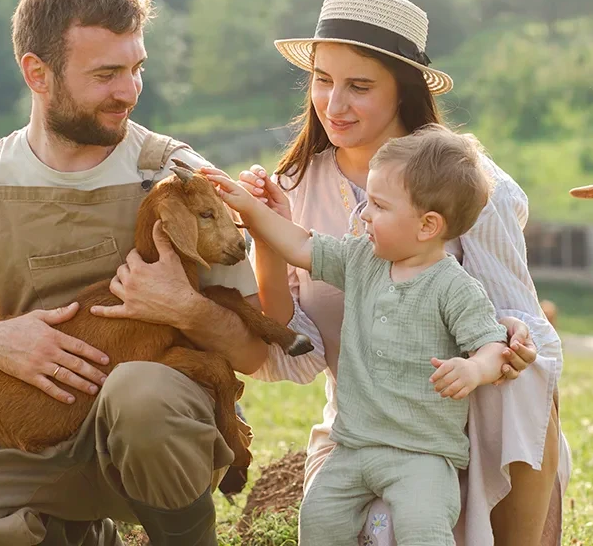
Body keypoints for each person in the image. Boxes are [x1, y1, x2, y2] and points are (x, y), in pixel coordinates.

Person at [0, 0, 271, 546]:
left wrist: (184, 309)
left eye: (136, 68)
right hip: (27, 430)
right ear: (38, 73)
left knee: (141, 397)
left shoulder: (177, 178)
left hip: (157, 434)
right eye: (106, 74)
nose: (129, 91)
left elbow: (254, 352)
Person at [225, 0, 571, 545]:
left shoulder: (474, 189)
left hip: (461, 425)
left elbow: (530, 342)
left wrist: (509, 344)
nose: (333, 105)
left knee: (520, 384)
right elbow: (290, 359)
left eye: (359, 87)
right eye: (322, 80)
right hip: (360, 428)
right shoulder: (295, 188)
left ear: (402, 93)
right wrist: (267, 239)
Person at [206, 125, 519, 544]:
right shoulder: (360, 259)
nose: (364, 214)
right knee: (317, 520)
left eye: (378, 205)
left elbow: (494, 345)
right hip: (352, 446)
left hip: (421, 454)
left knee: (423, 529)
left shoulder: (455, 287)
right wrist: (250, 209)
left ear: (427, 226)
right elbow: (298, 245)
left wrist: (474, 368)